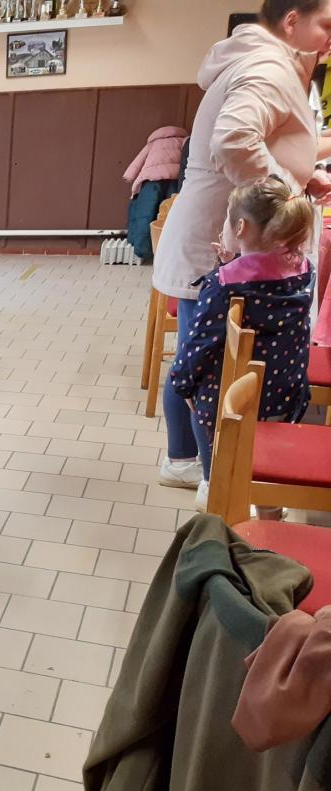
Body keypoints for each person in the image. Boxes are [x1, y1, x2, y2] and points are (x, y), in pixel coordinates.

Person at [153, 0, 331, 492]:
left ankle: (188, 462)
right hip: (226, 238)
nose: (330, 38)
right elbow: (234, 141)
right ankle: (206, 473)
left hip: (227, 233)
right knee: (207, 362)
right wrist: (286, 195)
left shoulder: (262, 60)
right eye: (326, 25)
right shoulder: (268, 67)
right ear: (292, 21)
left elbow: (268, 142)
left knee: (201, 354)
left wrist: (301, 177)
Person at [168, 177, 315, 509]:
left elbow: (199, 344)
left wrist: (182, 384)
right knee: (265, 451)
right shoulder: (303, 269)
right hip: (285, 391)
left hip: (232, 400)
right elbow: (262, 283)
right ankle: (268, 501)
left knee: (195, 393)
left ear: (240, 227)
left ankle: (215, 485)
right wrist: (232, 263)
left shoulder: (223, 284)